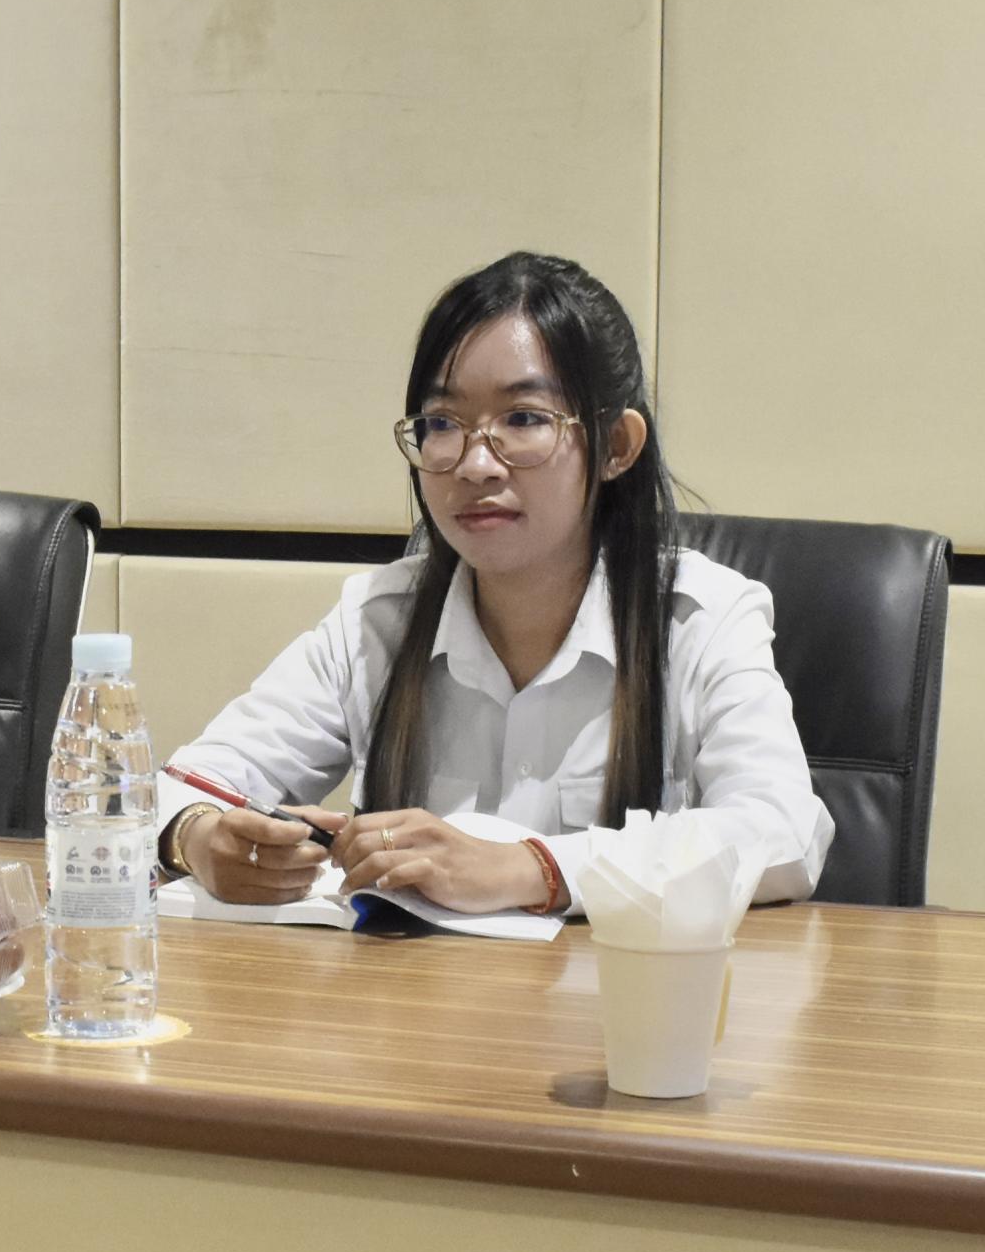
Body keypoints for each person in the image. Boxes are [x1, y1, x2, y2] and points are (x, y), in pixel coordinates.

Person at [157, 250, 828, 915]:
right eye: (442, 424)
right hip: (412, 988)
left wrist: (534, 867)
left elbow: (783, 832)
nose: (475, 464)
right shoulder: (375, 623)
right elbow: (167, 790)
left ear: (618, 446)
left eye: (524, 419)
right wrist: (195, 838)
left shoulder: (702, 620)